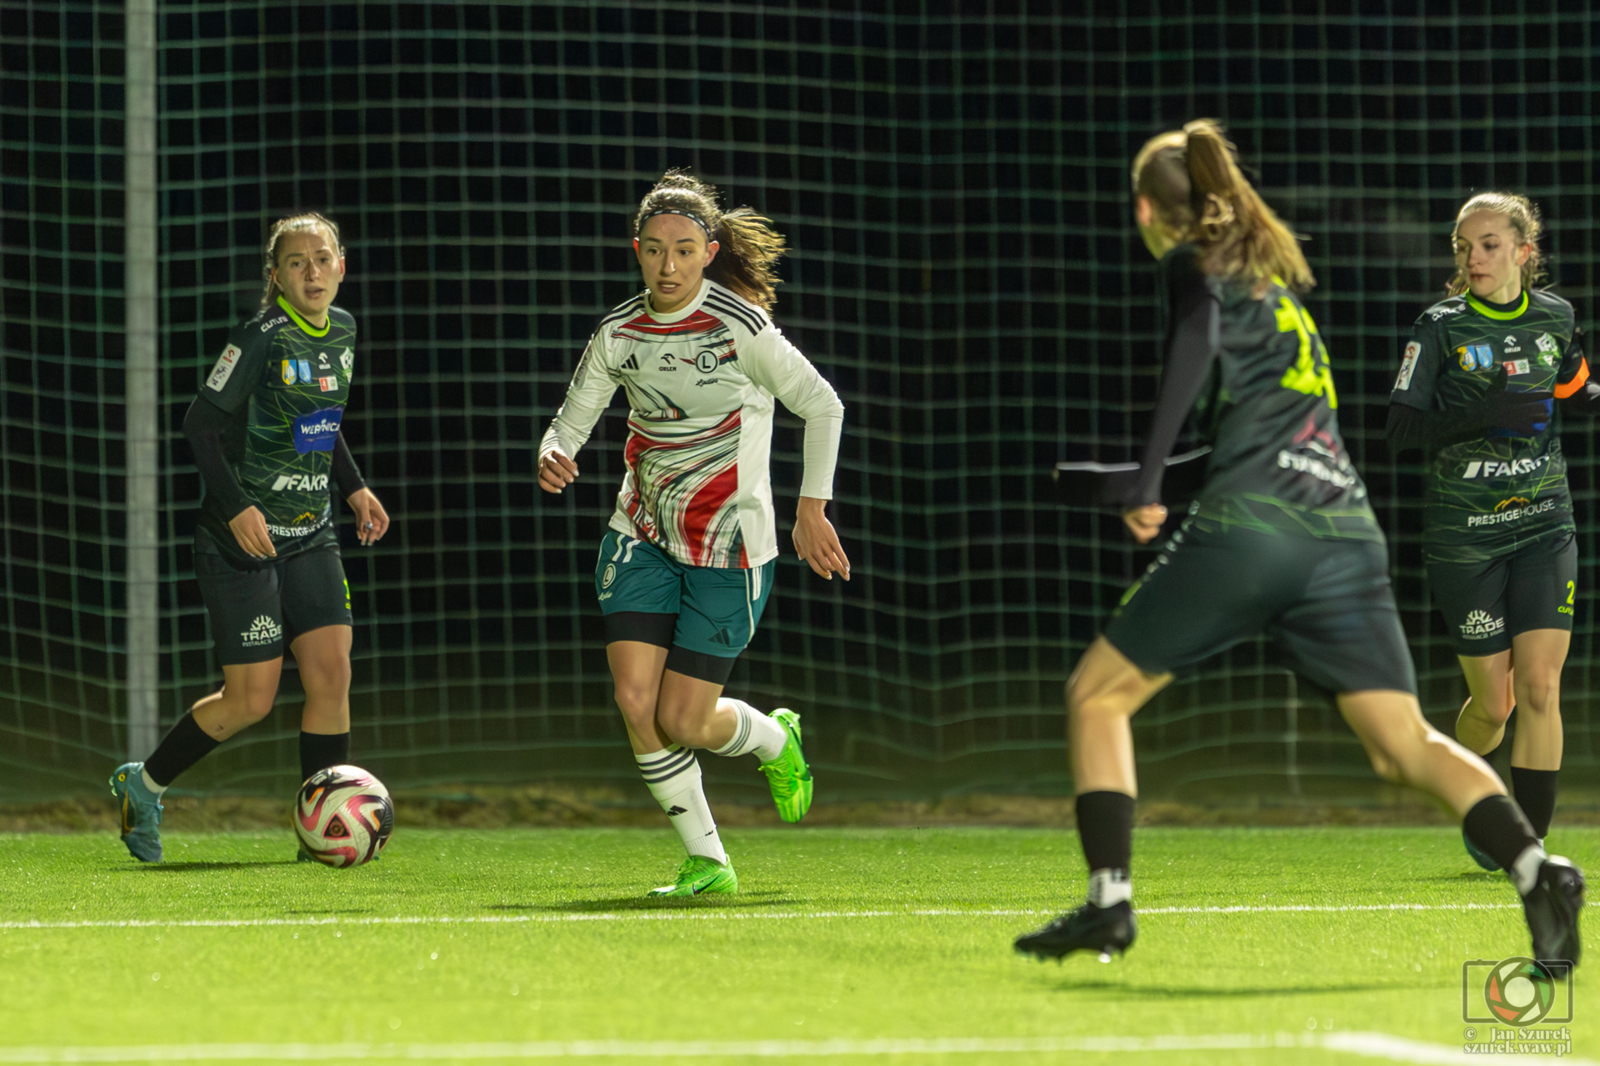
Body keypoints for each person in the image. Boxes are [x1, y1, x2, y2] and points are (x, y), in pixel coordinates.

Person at [1013, 122, 1584, 968]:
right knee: (1405, 746)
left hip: (1257, 528)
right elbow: (1246, 444)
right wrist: (1127, 480)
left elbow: (1197, 338)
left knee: (1097, 696)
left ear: (1147, 209)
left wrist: (1140, 482)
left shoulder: (1199, 269)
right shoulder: (1279, 294)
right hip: (1344, 534)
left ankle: (1110, 901)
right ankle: (1539, 867)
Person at [538, 171, 848, 897]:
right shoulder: (619, 332)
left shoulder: (742, 329)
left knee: (684, 718)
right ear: (637, 251)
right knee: (634, 700)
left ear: (709, 252)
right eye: (654, 251)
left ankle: (776, 739)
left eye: (683, 250)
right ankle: (708, 859)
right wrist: (554, 451)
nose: (667, 266)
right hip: (640, 532)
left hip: (730, 548)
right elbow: (572, 419)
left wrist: (811, 508)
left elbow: (823, 405)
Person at [111, 212, 391, 863]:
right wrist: (236, 507)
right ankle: (143, 785)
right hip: (240, 546)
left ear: (341, 265)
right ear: (276, 276)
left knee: (331, 673)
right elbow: (199, 425)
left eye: (322, 259)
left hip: (312, 532)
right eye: (296, 263)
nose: (312, 272)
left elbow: (319, 417)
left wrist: (353, 487)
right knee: (251, 699)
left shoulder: (343, 330)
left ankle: (318, 831)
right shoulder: (260, 338)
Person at [1387, 192, 1592, 870]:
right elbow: (1401, 428)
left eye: (1489, 245)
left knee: (1540, 688)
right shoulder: (1440, 326)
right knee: (1495, 706)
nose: (1473, 257)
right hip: (1464, 537)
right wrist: (1485, 414)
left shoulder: (1557, 318)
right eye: (1463, 246)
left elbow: (1575, 390)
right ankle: (1470, 786)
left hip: (1544, 524)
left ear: (1524, 252)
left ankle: (1525, 851)